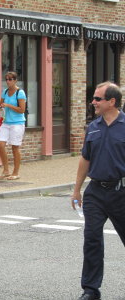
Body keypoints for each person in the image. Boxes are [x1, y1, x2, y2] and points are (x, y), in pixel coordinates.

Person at [71, 81, 125, 300]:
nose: (93, 102)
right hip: (95, 192)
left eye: (97, 99)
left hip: (121, 191)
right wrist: (76, 190)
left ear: (112, 101)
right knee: (92, 238)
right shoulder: (93, 127)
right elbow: (85, 158)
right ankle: (91, 289)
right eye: (93, 98)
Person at [0, 71, 26, 180]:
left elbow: (22, 110)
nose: (8, 81)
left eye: (10, 79)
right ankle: (6, 170)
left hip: (17, 124)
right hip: (5, 123)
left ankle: (16, 173)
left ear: (15, 80)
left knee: (15, 147)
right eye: (6, 79)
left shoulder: (20, 93)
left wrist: (8, 105)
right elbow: (1, 105)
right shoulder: (4, 92)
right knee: (0, 144)